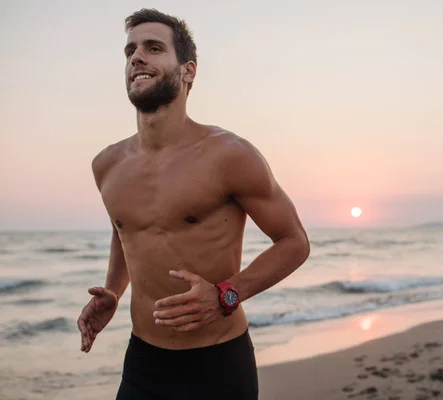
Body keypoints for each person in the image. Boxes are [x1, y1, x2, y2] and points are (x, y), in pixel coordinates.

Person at [76, 8, 310, 400]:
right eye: (130, 50)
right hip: (143, 363)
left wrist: (226, 295)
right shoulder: (107, 165)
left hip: (218, 364)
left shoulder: (229, 155)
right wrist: (114, 292)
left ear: (188, 71)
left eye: (153, 48)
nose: (137, 58)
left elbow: (294, 241)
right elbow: (126, 229)